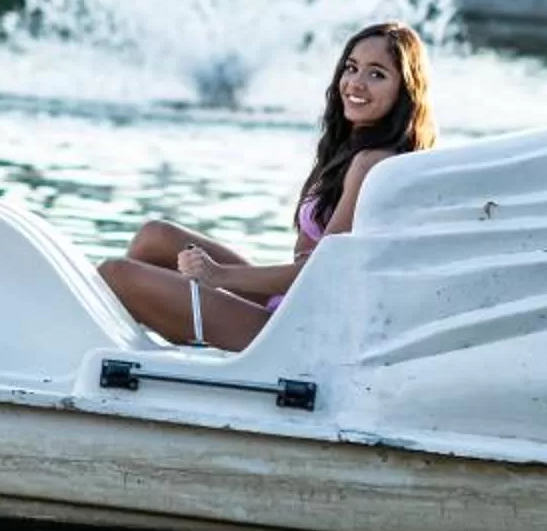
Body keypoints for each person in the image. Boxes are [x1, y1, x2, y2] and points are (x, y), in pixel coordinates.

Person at [98, 21, 437, 352]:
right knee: (154, 237)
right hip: (292, 303)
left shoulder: (371, 164)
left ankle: (117, 358)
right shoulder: (351, 150)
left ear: (405, 91)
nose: (355, 83)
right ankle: (137, 349)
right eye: (351, 68)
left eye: (377, 74)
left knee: (116, 274)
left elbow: (322, 273)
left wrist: (218, 276)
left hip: (305, 330)